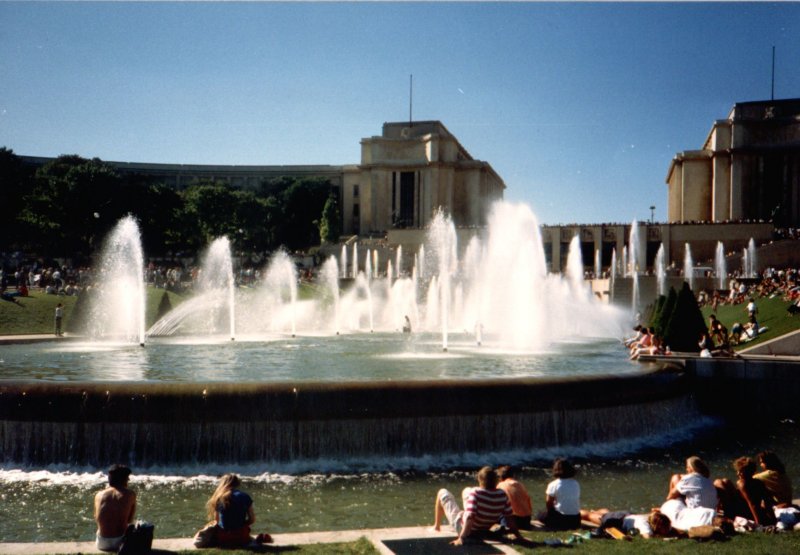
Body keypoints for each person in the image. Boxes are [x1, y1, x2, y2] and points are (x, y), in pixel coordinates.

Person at [433, 466, 523, 545]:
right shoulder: (502, 495)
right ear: (496, 480)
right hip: (484, 529)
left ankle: (436, 527)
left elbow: (470, 517)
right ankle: (466, 511)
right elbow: (510, 518)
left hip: (466, 529)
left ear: (480, 480)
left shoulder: (475, 493)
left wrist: (462, 538)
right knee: (466, 490)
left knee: (442, 492)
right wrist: (518, 535)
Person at [205, 473, 271, 547]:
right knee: (244, 529)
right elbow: (252, 519)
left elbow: (217, 521)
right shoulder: (245, 496)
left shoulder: (219, 498)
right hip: (241, 536)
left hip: (224, 537)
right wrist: (241, 524)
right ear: (237, 484)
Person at [714, 456, 775, 525]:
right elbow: (767, 501)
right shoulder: (759, 482)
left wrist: (758, 524)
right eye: (738, 471)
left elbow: (752, 504)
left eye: (740, 471)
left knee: (718, 482)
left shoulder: (742, 483)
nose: (738, 474)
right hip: (752, 511)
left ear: (747, 472)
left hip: (744, 512)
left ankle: (727, 515)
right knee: (726, 481)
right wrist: (773, 519)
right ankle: (719, 509)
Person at [94, 464, 137, 552]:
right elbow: (129, 521)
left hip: (102, 543)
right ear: (124, 479)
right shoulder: (130, 494)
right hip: (121, 542)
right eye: (127, 477)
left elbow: (96, 518)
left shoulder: (98, 495)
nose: (128, 480)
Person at [538, 458, 581, 530]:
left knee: (540, 515)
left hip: (562, 519)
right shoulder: (575, 483)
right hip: (576, 519)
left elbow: (549, 503)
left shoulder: (553, 484)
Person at [579, 508, 673, 538]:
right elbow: (647, 537)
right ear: (659, 526)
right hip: (618, 520)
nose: (668, 530)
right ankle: (576, 512)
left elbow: (672, 529)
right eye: (666, 528)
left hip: (627, 516)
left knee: (605, 513)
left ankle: (596, 511)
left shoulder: (650, 522)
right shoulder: (644, 525)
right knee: (589, 516)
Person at [496, 465, 532, 530]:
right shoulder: (520, 484)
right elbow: (528, 501)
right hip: (526, 520)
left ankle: (504, 526)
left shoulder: (500, 485)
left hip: (513, 520)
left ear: (500, 477)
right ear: (513, 475)